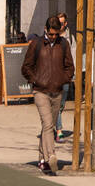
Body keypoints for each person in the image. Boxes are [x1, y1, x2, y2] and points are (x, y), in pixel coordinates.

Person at [21, 15, 74, 176]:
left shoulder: (63, 44)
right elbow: (26, 67)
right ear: (45, 30)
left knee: (47, 126)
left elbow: (69, 66)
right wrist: (36, 80)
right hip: (41, 91)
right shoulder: (36, 44)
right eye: (51, 34)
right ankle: (51, 156)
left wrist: (62, 79)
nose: (53, 37)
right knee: (48, 123)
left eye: (56, 34)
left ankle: (41, 159)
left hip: (57, 90)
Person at [55, 11, 76, 138]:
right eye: (58, 23)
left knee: (61, 105)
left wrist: (72, 74)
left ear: (66, 24)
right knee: (57, 104)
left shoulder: (71, 38)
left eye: (62, 23)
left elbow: (73, 56)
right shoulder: (51, 36)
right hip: (53, 76)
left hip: (66, 76)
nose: (60, 25)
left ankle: (53, 121)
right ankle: (59, 130)